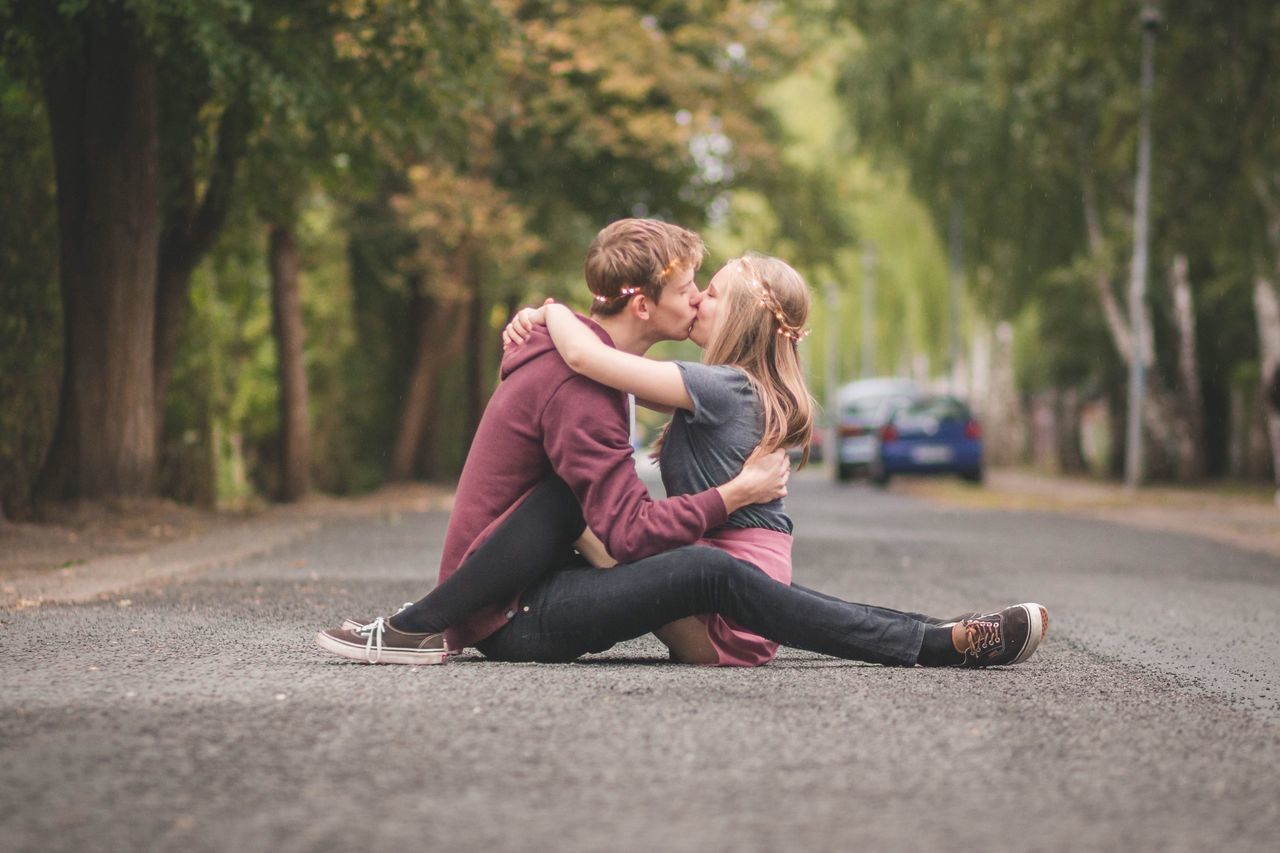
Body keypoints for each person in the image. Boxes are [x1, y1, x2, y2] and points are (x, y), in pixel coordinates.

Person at [316, 225, 1048, 669]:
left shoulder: (656, 379)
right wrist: (549, 314)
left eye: (709, 291)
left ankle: (416, 623)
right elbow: (627, 522)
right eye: (693, 287)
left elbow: (613, 506)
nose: (698, 299)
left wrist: (547, 315)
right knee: (669, 550)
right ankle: (413, 626)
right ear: (643, 302)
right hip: (518, 614)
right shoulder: (592, 378)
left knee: (625, 527)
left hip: (542, 597)